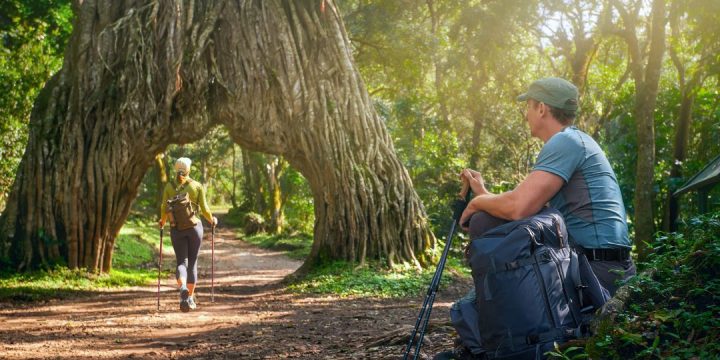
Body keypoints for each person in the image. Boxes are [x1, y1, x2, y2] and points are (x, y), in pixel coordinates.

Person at [459, 77, 635, 295]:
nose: (526, 115)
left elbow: (519, 208)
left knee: (483, 221)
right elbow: (526, 206)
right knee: (492, 216)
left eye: (528, 107)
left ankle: (496, 313)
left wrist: (477, 203)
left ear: (541, 108)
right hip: (604, 264)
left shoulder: (565, 142)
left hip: (597, 271)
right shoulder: (576, 140)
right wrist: (484, 194)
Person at [159, 157, 217, 312]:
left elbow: (164, 208)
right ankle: (189, 298)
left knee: (181, 262)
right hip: (195, 228)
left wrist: (162, 222)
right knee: (192, 262)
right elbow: (204, 209)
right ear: (189, 170)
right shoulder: (196, 186)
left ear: (175, 169)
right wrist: (212, 220)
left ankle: (183, 287)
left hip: (176, 228)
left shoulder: (169, 187)